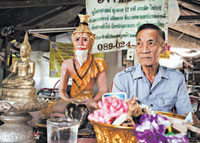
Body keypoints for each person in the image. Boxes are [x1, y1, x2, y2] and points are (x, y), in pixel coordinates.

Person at [112, 23, 192, 115]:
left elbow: (185, 116)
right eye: (139, 43)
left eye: (151, 43)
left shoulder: (176, 79)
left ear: (163, 48)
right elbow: (116, 116)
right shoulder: (122, 79)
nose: (145, 50)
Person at [51, 14, 107, 117]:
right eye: (77, 40)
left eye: (85, 40)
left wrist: (92, 101)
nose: (81, 43)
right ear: (73, 42)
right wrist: (69, 100)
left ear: (91, 42)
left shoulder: (99, 63)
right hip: (72, 100)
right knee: (53, 110)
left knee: (101, 111)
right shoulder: (67, 64)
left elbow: (103, 90)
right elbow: (62, 90)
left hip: (90, 100)